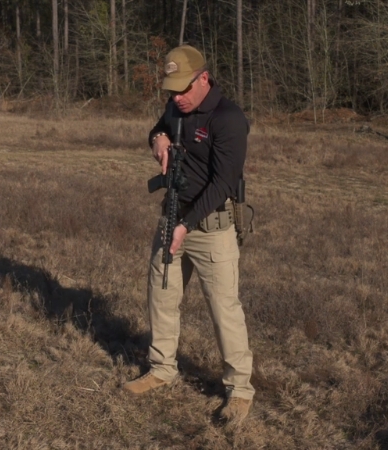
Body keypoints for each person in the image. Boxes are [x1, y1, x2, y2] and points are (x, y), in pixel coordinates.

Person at [122, 45, 254, 425]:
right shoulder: (175, 108)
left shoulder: (228, 119)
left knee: (224, 310)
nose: (175, 98)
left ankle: (240, 389)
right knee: (161, 296)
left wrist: (186, 225)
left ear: (204, 78)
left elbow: (224, 183)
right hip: (171, 216)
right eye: (170, 91)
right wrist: (157, 140)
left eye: (182, 89)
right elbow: (157, 127)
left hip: (211, 227)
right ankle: (162, 368)